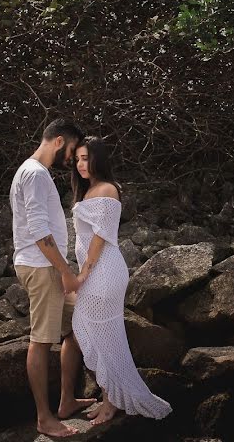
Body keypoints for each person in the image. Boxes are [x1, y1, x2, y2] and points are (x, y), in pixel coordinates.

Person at [71, 136, 172, 425]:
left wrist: (81, 275)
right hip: (94, 273)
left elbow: (100, 240)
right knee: (96, 335)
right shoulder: (88, 190)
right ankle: (110, 397)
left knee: (106, 337)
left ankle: (112, 402)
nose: (80, 164)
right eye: (77, 159)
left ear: (99, 159)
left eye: (86, 158)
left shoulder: (107, 190)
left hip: (102, 273)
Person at [10, 118, 95, 438]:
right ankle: (44, 418)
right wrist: (66, 272)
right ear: (59, 141)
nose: (72, 159)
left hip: (43, 265)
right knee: (42, 341)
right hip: (41, 267)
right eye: (72, 151)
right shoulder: (33, 174)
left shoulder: (35, 173)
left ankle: (66, 401)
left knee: (79, 322)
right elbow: (38, 230)